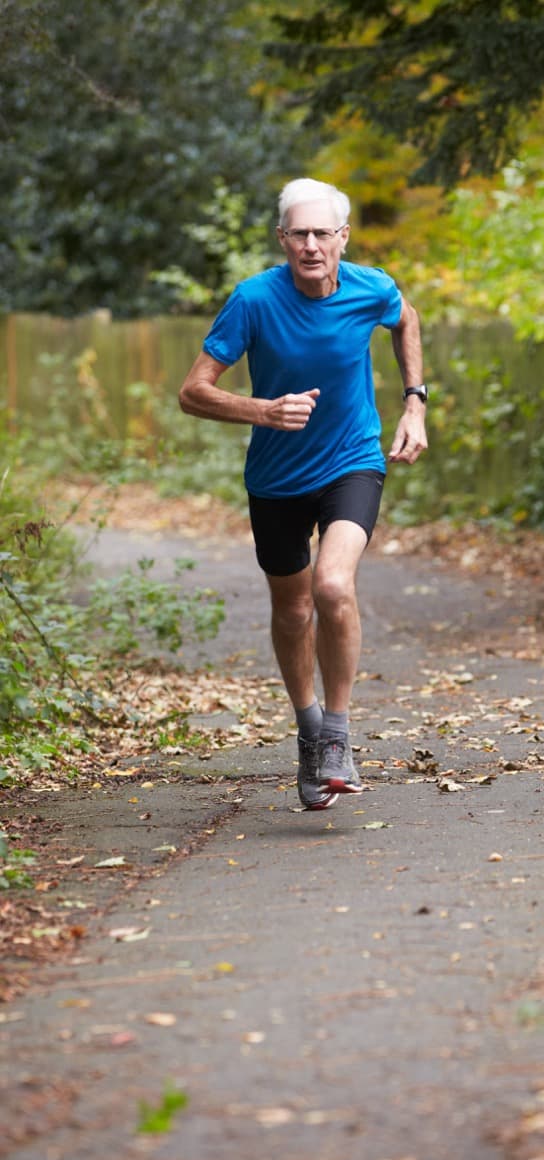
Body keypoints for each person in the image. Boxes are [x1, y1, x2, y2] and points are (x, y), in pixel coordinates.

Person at [178, 177, 427, 810]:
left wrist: (415, 404)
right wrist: (261, 411)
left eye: (323, 233)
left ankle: (338, 737)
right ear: (282, 238)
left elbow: (406, 319)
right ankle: (309, 730)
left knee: (333, 586)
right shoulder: (253, 300)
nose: (311, 245)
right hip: (276, 479)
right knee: (293, 612)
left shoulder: (372, 287)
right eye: (299, 234)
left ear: (343, 237)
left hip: (352, 462)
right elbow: (193, 391)